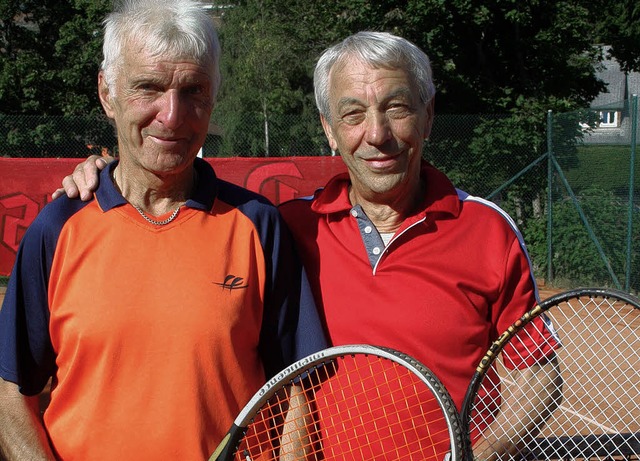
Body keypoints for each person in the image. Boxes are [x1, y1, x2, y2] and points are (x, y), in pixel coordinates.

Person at [52, 31, 561, 460]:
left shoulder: (487, 229)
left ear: (428, 117)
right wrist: (103, 175)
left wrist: (476, 454)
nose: (377, 134)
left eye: (397, 108)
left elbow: (537, 375)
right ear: (330, 131)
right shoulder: (287, 226)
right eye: (353, 114)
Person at [0, 1, 326, 460]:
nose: (172, 115)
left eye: (193, 90)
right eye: (148, 87)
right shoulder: (58, 227)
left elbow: (298, 386)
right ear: (107, 94)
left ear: (214, 97)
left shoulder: (257, 223)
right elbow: (10, 389)